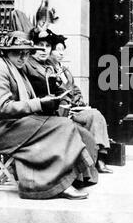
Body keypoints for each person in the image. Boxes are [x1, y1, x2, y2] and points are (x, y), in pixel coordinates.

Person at [0, 30, 98, 200]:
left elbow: (26, 101)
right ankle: (57, 185)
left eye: (26, 53)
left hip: (18, 124)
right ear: (7, 52)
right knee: (62, 126)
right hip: (1, 130)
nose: (22, 58)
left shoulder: (16, 69)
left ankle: (74, 178)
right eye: (17, 53)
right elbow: (4, 108)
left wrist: (48, 102)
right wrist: (39, 103)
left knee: (70, 127)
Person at [23, 1, 113, 173]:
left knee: (95, 115)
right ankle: (87, 166)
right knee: (83, 127)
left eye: (47, 46)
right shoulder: (28, 65)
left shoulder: (52, 66)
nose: (43, 50)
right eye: (39, 46)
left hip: (67, 108)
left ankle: (100, 158)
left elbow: (71, 87)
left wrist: (77, 100)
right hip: (49, 114)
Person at [49, 34, 114, 173]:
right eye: (57, 50)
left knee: (96, 115)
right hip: (62, 111)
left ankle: (100, 158)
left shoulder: (64, 70)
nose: (61, 53)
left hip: (74, 108)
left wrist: (80, 101)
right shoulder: (48, 71)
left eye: (63, 49)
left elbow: (74, 88)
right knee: (93, 116)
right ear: (50, 51)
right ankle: (97, 160)